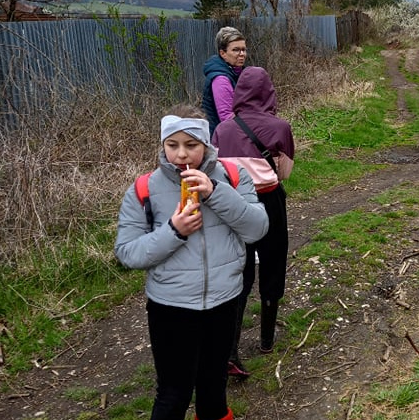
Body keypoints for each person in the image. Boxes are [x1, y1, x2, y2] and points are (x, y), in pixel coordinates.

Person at [114, 104, 269, 420]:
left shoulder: (234, 177)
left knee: (213, 388)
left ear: (208, 145)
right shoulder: (144, 189)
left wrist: (215, 193)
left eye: (191, 145)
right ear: (162, 146)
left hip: (223, 302)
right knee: (173, 393)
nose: (181, 155)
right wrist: (174, 231)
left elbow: (258, 228)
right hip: (170, 309)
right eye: (172, 145)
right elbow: (128, 253)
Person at [212, 66, 295, 380]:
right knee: (273, 263)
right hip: (269, 201)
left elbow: (217, 171)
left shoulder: (222, 130)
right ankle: (266, 339)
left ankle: (230, 349)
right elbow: (284, 174)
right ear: (268, 91)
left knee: (238, 268)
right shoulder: (280, 127)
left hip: (233, 204)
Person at [202, 26, 248, 136]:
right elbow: (227, 117)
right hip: (222, 139)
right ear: (223, 53)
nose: (242, 54)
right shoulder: (220, 79)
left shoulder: (237, 72)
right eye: (236, 50)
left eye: (243, 49)